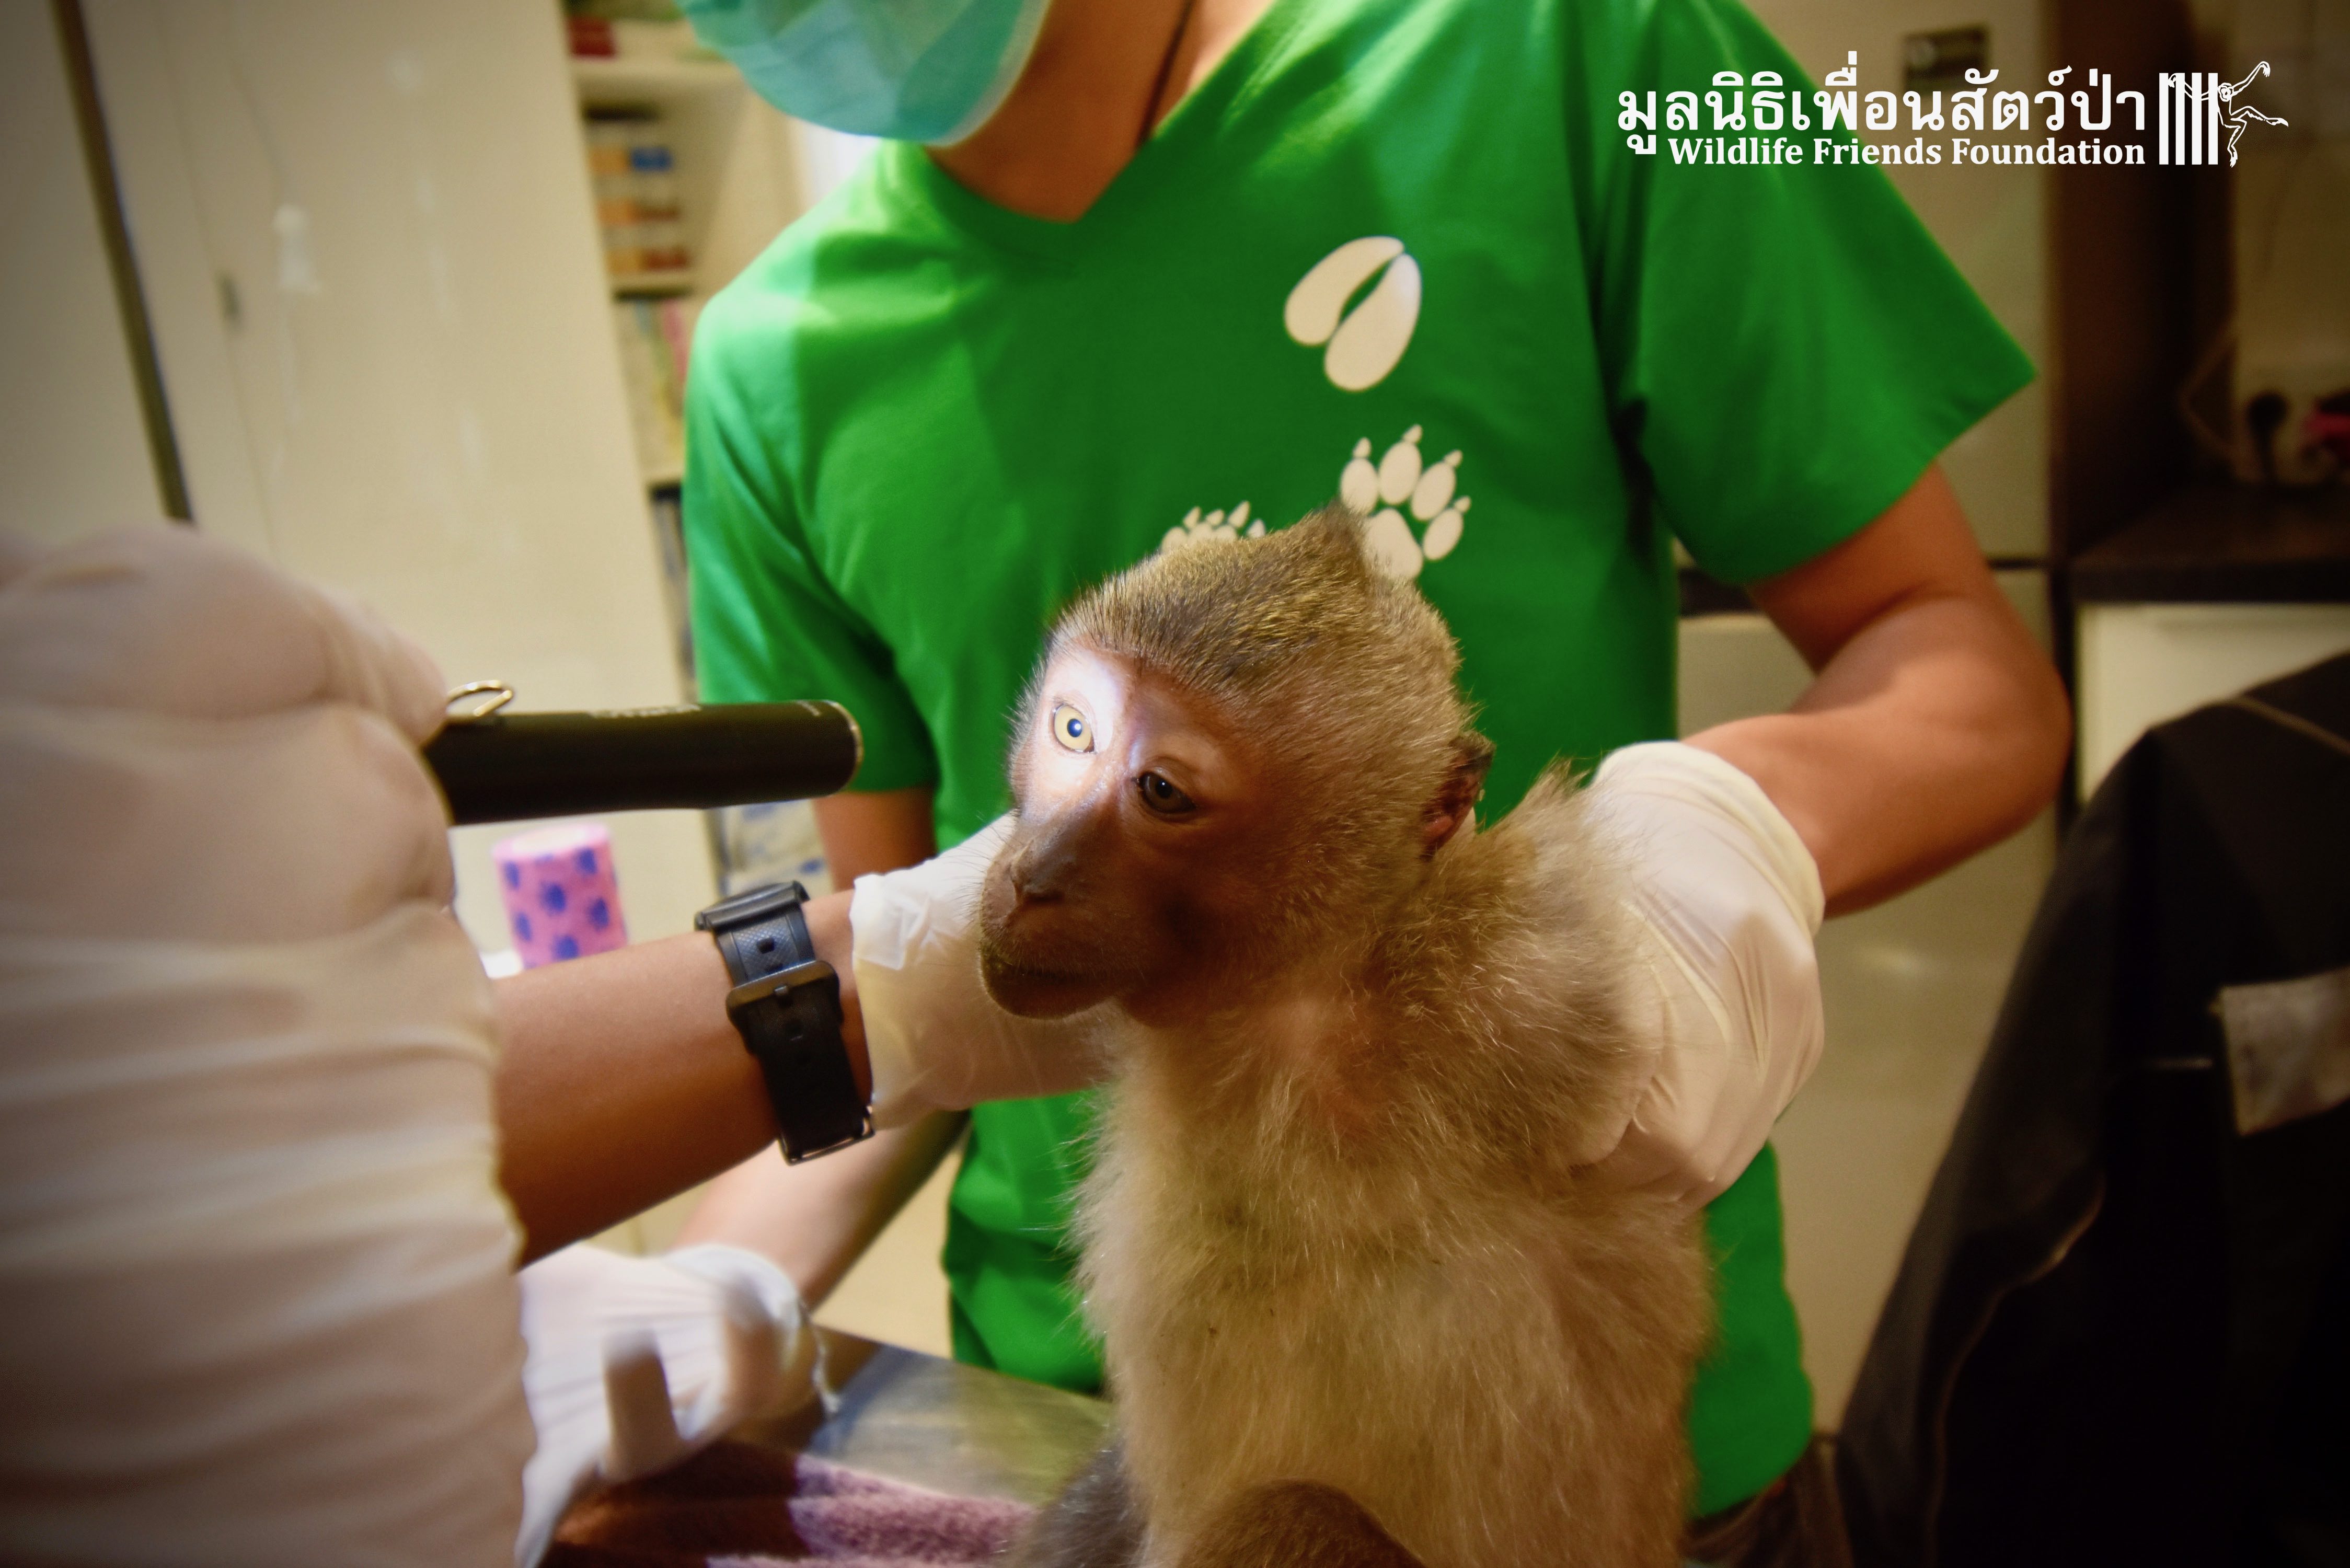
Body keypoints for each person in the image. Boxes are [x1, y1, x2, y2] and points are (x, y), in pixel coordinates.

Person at [671, 0, 2071, 1555]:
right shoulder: (771, 361)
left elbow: (1974, 679)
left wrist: (1741, 824)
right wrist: (703, 1287)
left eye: (1162, 788)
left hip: (1554, 1438)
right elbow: (897, 998)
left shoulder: (1568, 48)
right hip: (1095, 1424)